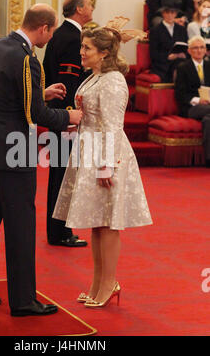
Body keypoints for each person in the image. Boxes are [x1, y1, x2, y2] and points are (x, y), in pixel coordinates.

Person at [0, 4, 83, 317]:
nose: (51, 36)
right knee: (20, 227)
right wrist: (69, 115)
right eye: (51, 30)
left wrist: (41, 93)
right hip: (16, 151)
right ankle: (23, 300)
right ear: (43, 28)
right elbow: (35, 115)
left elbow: (7, 95)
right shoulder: (27, 58)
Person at [52, 26, 152, 308]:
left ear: (104, 53)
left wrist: (106, 166)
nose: (81, 52)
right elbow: (91, 116)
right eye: (82, 47)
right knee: (97, 223)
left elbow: (111, 125)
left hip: (107, 155)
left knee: (108, 223)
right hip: (88, 150)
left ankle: (109, 283)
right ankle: (98, 283)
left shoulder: (113, 81)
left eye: (87, 48)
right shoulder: (94, 77)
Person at [43, 0, 94, 247]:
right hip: (65, 116)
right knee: (63, 177)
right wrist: (70, 117)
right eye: (90, 4)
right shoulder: (73, 38)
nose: (92, 7)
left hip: (57, 114)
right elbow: (68, 83)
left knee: (59, 175)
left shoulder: (60, 35)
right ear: (80, 9)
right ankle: (60, 232)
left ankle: (57, 230)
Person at [175, 35, 210, 167]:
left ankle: (208, 158)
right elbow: (180, 94)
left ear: (206, 50)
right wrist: (198, 100)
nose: (199, 50)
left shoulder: (209, 65)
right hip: (191, 107)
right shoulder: (183, 67)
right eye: (195, 48)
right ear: (189, 51)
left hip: (208, 108)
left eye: (202, 47)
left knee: (208, 119)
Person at [149, 0, 188, 83]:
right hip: (162, 64)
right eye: (167, 12)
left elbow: (186, 47)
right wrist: (168, 57)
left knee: (186, 65)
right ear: (162, 13)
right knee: (179, 66)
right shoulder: (155, 30)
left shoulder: (182, 30)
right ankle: (179, 91)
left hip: (180, 60)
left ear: (176, 14)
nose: (170, 15)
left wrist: (183, 54)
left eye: (172, 12)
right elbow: (153, 54)